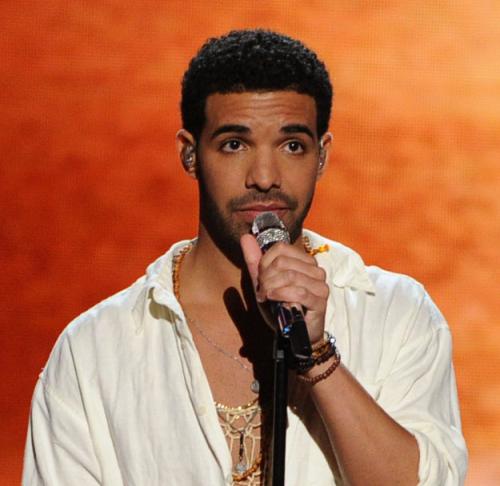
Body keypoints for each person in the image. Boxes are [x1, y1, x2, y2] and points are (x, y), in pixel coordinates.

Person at [23, 29, 467, 485]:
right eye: (235, 144)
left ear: (321, 157)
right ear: (190, 155)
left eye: (292, 146)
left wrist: (316, 356)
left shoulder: (396, 315)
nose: (265, 177)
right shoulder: (95, 350)